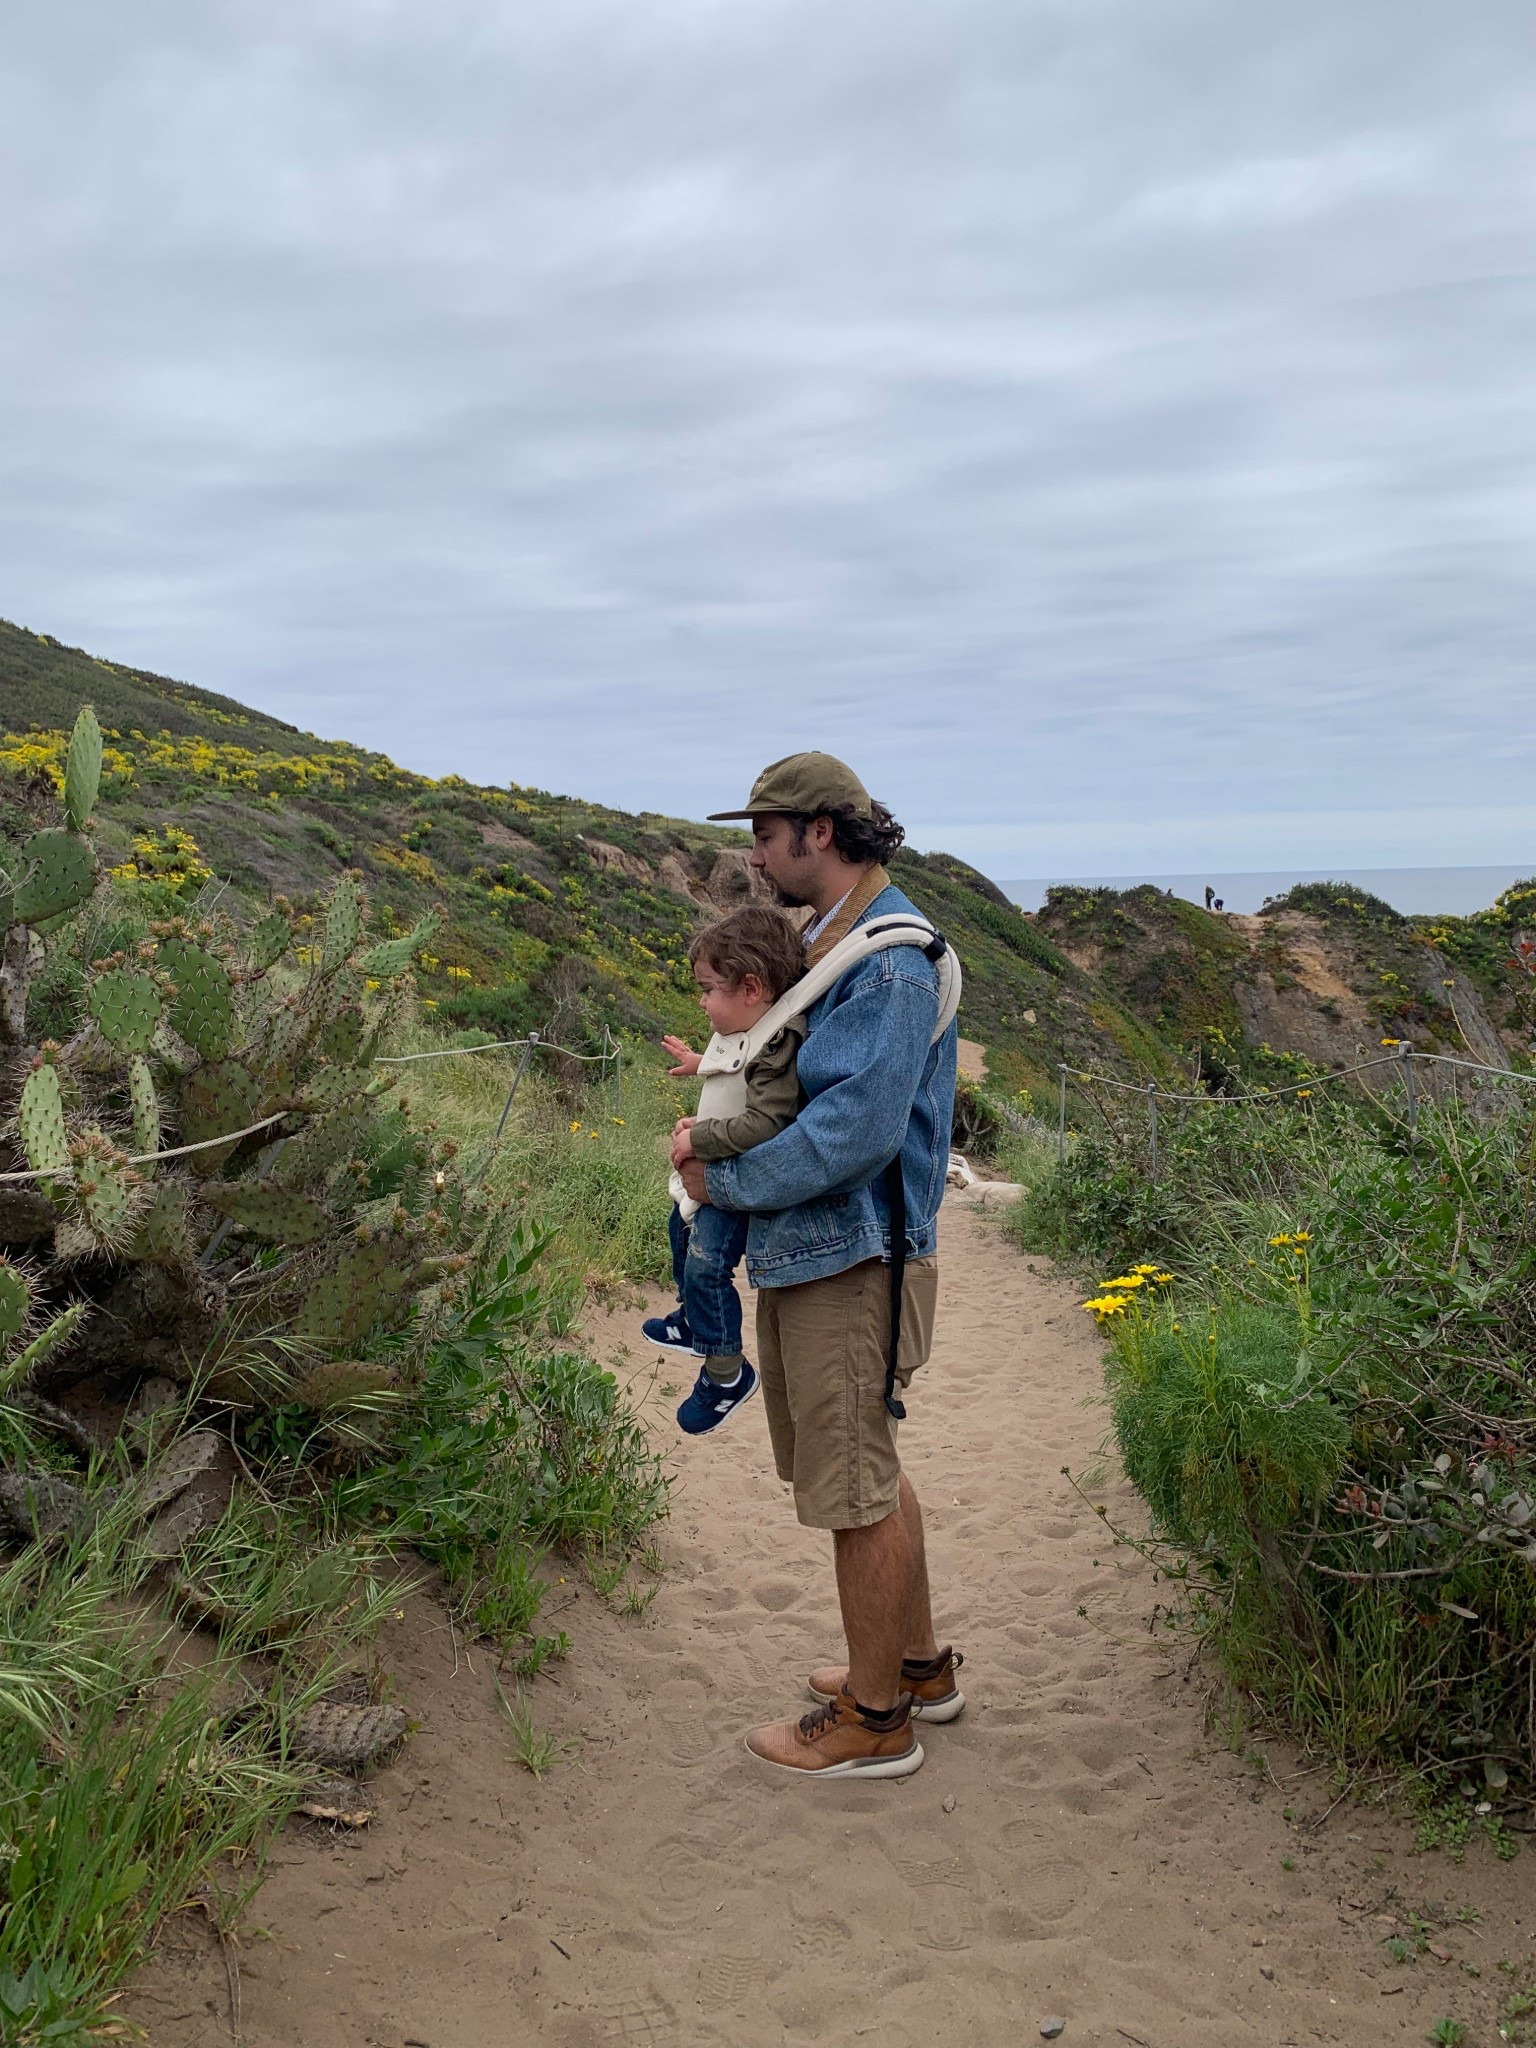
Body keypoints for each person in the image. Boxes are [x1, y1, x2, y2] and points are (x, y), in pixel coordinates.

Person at [673, 751, 960, 1780]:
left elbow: (853, 1132)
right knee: (868, 1462)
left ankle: (876, 1722)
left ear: (820, 832)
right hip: (829, 1251)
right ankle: (916, 1663)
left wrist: (725, 1184)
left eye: (765, 830)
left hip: (851, 1257)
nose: (756, 851)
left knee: (853, 1486)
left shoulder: (884, 961)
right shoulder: (828, 943)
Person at [642, 906, 807, 1436]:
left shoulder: (779, 1040)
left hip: (734, 1182)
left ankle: (726, 1373)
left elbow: (766, 1121)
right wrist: (698, 1065)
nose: (702, 1000)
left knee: (707, 1266)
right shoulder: (750, 1024)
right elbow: (730, 1070)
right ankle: (693, 1320)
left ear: (752, 988)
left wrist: (700, 1136)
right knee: (679, 1234)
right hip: (712, 1171)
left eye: (710, 989)